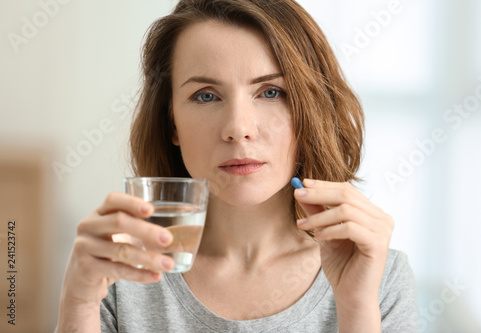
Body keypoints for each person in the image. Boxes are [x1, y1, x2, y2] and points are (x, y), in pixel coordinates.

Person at [56, 0, 418, 332]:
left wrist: (355, 307)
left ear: (310, 111)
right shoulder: (119, 273)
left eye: (271, 92)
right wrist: (78, 303)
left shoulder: (378, 275)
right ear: (171, 123)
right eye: (206, 96)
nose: (238, 129)